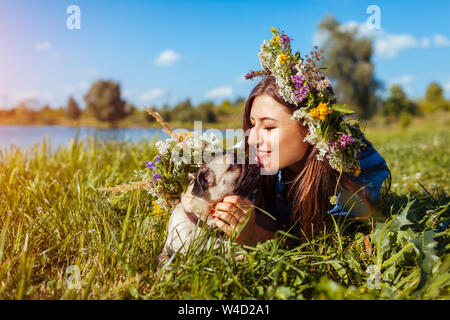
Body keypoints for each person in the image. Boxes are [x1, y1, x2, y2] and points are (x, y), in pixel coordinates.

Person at [211, 27, 391, 245]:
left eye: (269, 128)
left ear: (310, 129)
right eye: (252, 124)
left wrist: (252, 235)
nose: (252, 138)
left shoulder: (350, 176)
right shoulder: (257, 157)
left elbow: (317, 239)